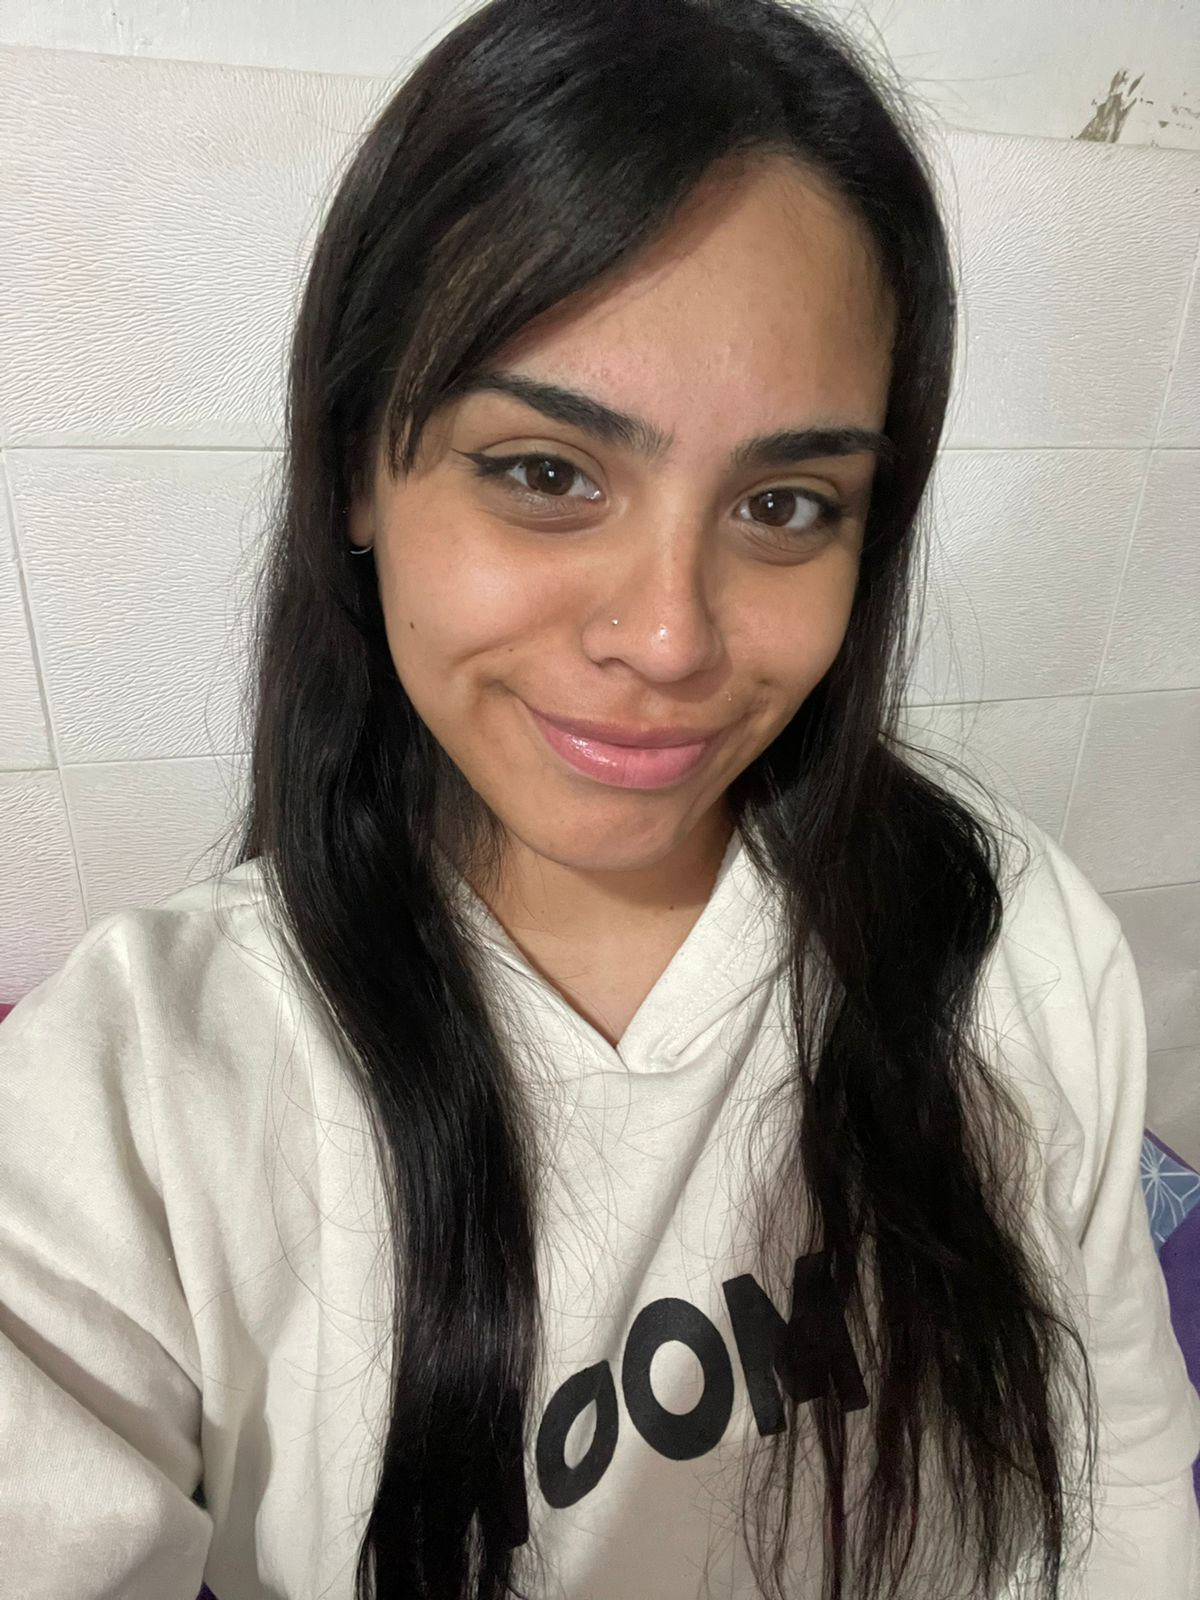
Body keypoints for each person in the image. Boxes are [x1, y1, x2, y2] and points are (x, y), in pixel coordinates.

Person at [2, 0, 1198, 1596]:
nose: (669, 637)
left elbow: (1116, 1487)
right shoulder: (139, 1096)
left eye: (786, 503)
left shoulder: (1009, 939)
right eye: (547, 473)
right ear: (358, 467)